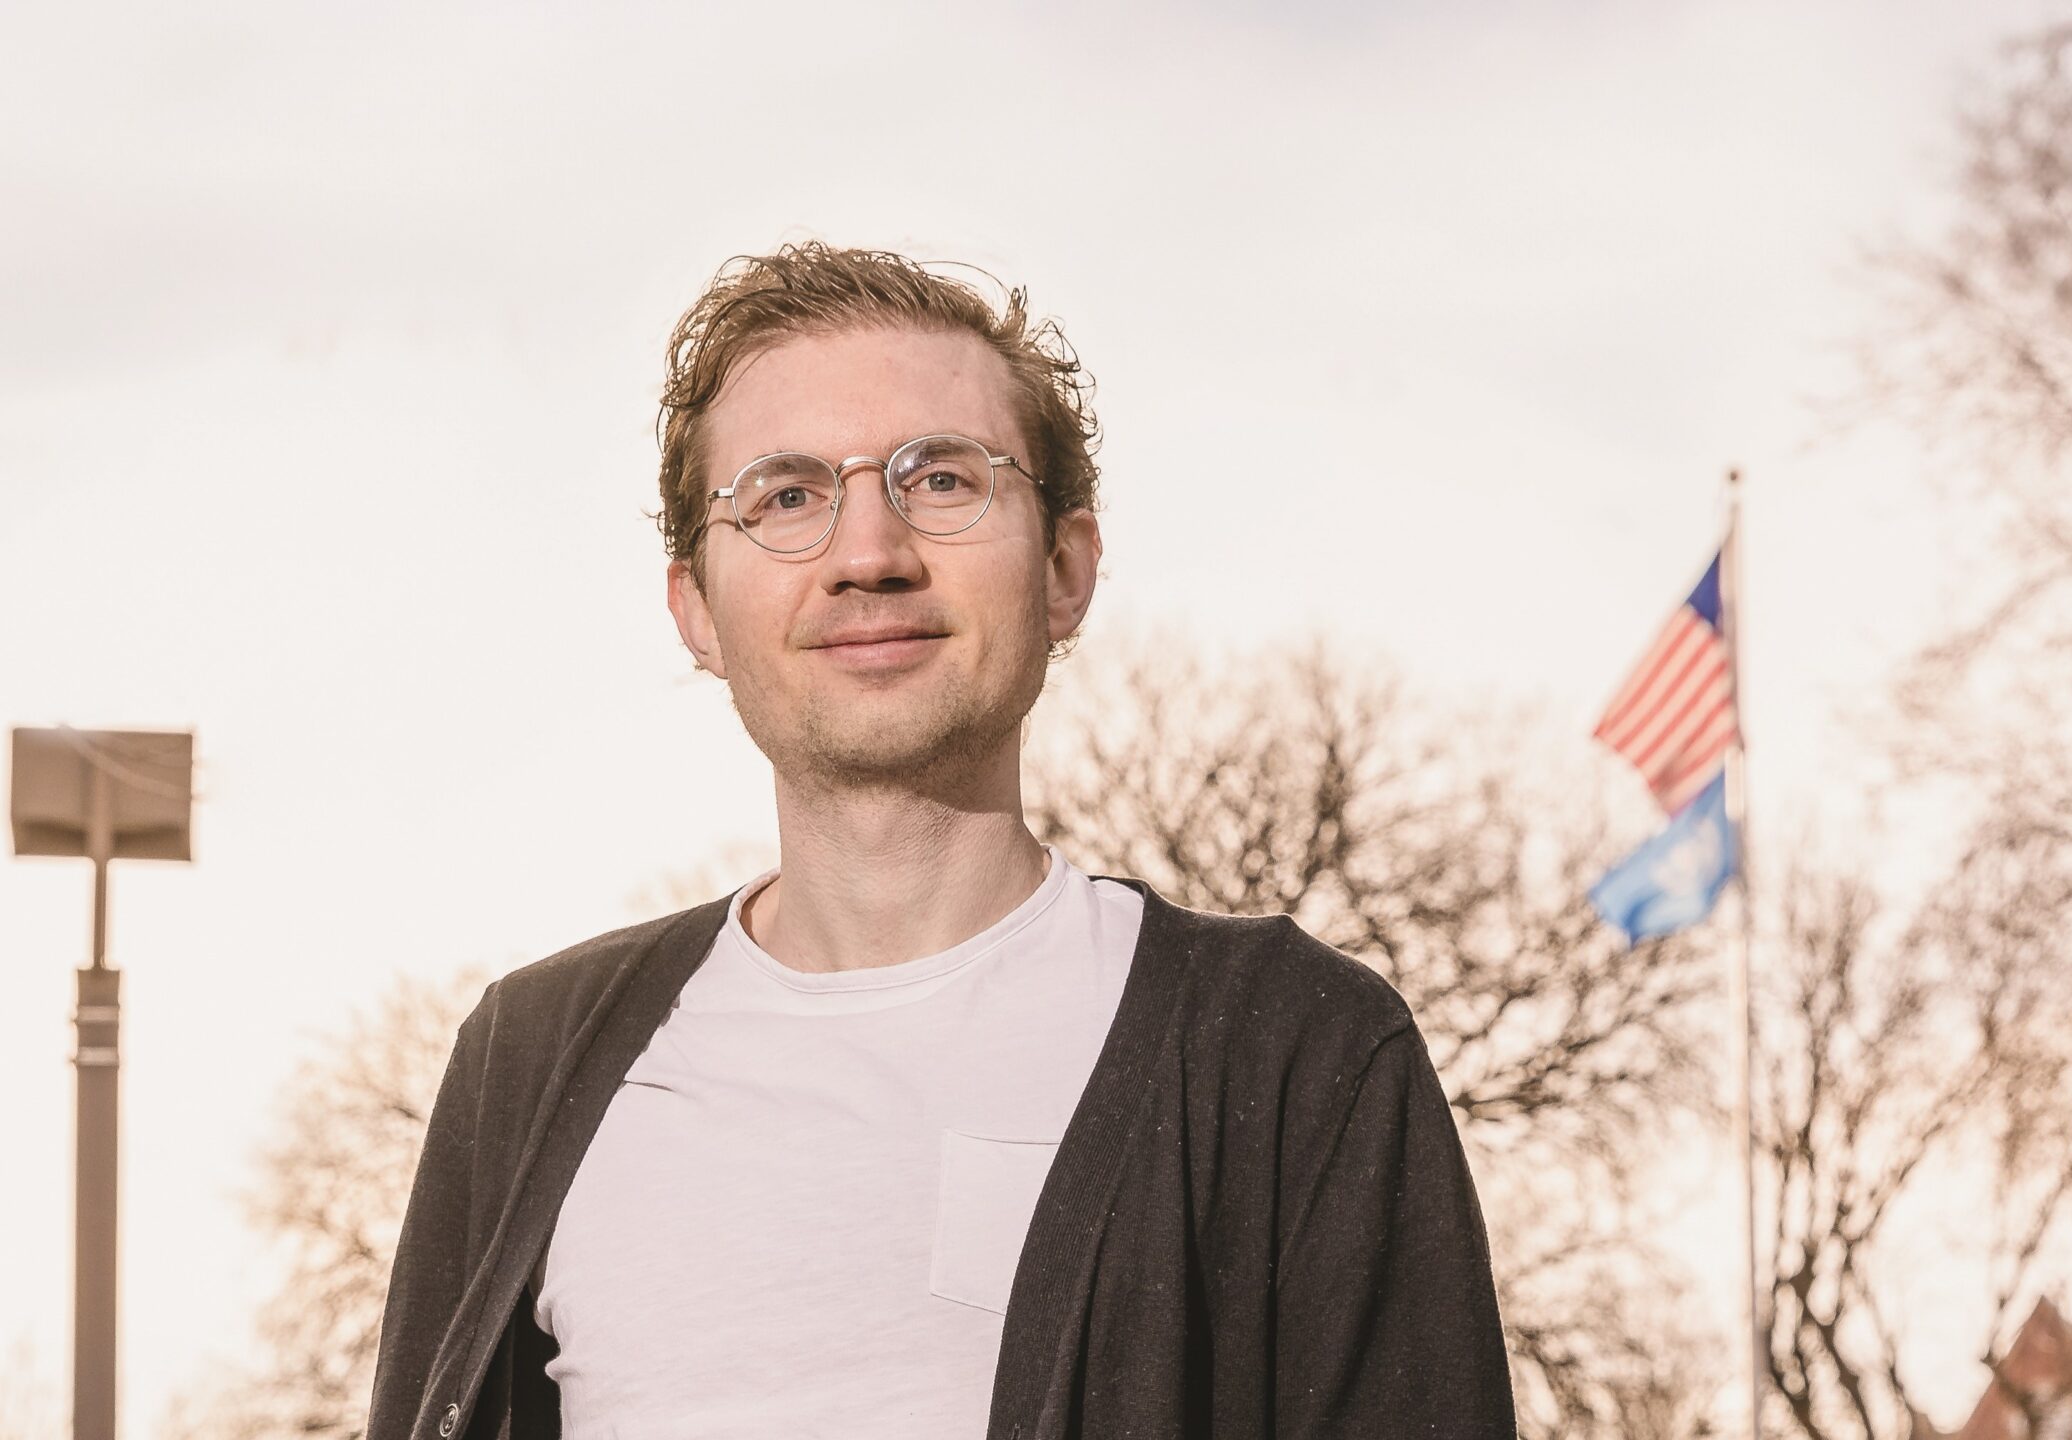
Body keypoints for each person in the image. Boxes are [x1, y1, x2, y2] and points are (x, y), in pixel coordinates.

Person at [362, 243, 1517, 1440]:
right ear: (697, 609)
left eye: (943, 480)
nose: (868, 557)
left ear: (1066, 569)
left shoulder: (1293, 1051)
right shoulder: (527, 1061)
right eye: (786, 496)